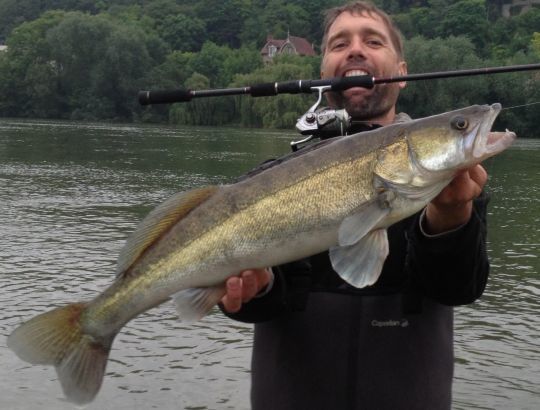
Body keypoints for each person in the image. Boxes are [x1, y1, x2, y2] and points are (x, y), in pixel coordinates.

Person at [220, 2, 490, 409]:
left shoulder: (456, 184)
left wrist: (450, 220)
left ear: (401, 71)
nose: (355, 49)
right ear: (324, 69)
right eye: (339, 43)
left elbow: (457, 289)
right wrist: (252, 290)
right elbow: (265, 304)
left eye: (373, 40)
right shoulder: (271, 182)